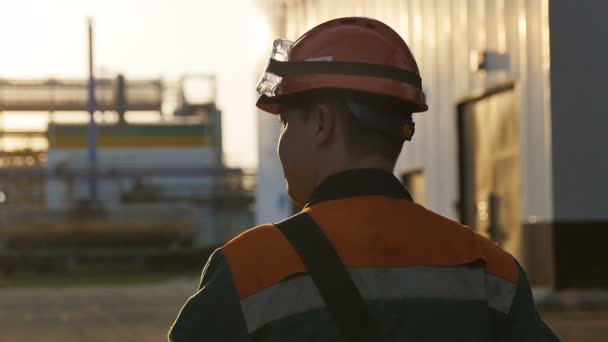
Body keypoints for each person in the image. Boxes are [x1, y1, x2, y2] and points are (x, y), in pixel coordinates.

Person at [169, 17, 559, 341]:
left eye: (286, 122)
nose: (282, 144)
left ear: (323, 122)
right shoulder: (491, 271)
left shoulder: (248, 269)